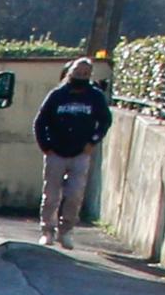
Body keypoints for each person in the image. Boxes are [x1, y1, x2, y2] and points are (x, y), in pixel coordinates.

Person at [33, 55, 113, 248]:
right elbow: (40, 121)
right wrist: (46, 146)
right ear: (70, 72)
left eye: (86, 73)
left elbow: (105, 121)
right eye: (78, 72)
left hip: (80, 153)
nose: (81, 76)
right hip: (56, 152)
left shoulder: (95, 96)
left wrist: (93, 142)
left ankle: (66, 230)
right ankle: (47, 230)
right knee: (51, 195)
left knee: (75, 194)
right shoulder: (57, 95)